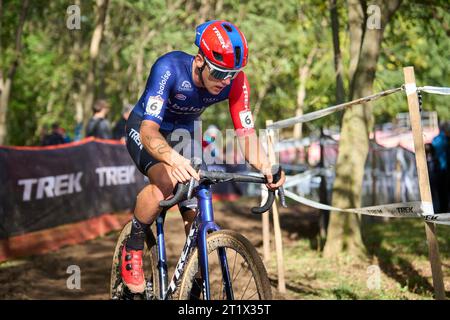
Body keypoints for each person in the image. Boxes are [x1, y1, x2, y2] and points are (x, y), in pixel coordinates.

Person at [121, 20, 286, 293]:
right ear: (199, 60)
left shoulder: (235, 82)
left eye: (232, 73)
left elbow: (246, 134)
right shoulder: (169, 68)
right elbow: (149, 131)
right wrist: (172, 159)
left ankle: (192, 277)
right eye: (220, 72)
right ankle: (134, 246)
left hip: (185, 133)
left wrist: (267, 166)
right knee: (165, 182)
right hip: (146, 129)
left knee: (196, 199)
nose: (226, 81)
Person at [431, 122, 450, 213]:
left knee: (440, 191)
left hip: (437, 169)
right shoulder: (446, 139)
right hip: (445, 169)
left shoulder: (435, 140)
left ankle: (442, 209)